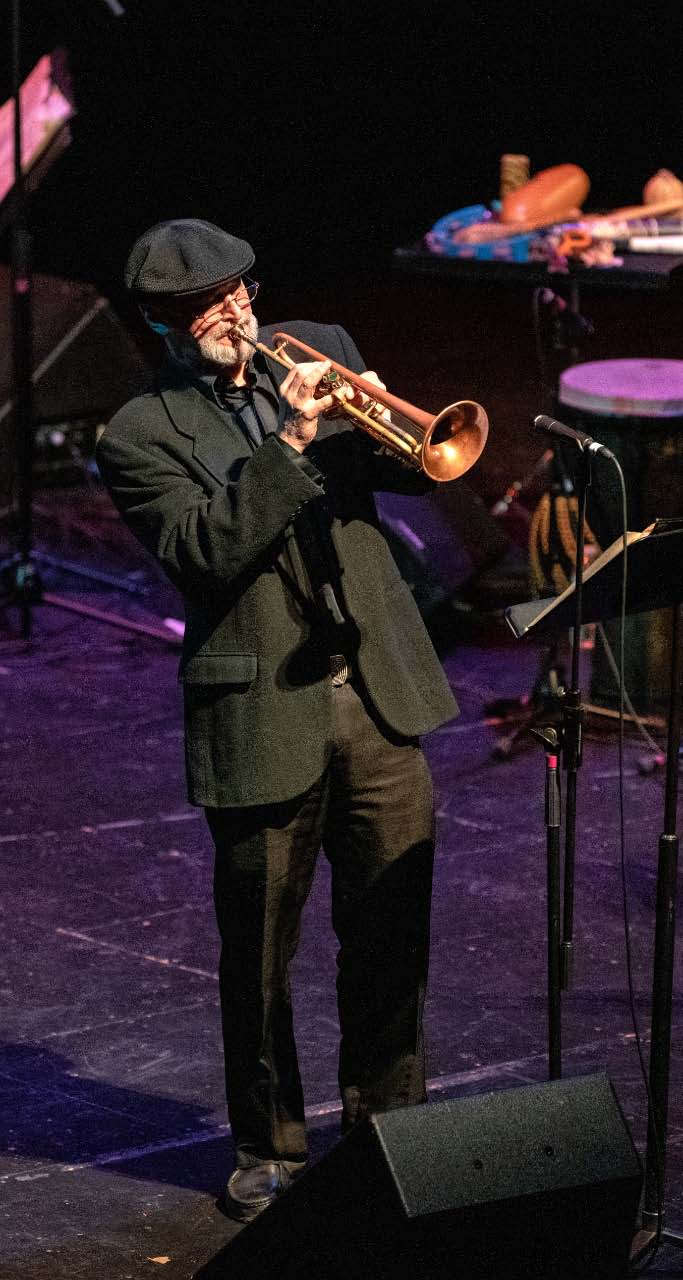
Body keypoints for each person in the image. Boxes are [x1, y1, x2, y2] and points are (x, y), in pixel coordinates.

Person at [95, 218, 459, 1222]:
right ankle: (270, 1145)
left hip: (374, 689)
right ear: (164, 322)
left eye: (242, 292)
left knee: (391, 925)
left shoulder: (321, 347)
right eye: (208, 304)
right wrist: (294, 442)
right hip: (260, 702)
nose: (236, 314)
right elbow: (201, 552)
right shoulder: (139, 431)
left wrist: (381, 418)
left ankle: (391, 1126)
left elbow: (403, 468)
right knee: (259, 950)